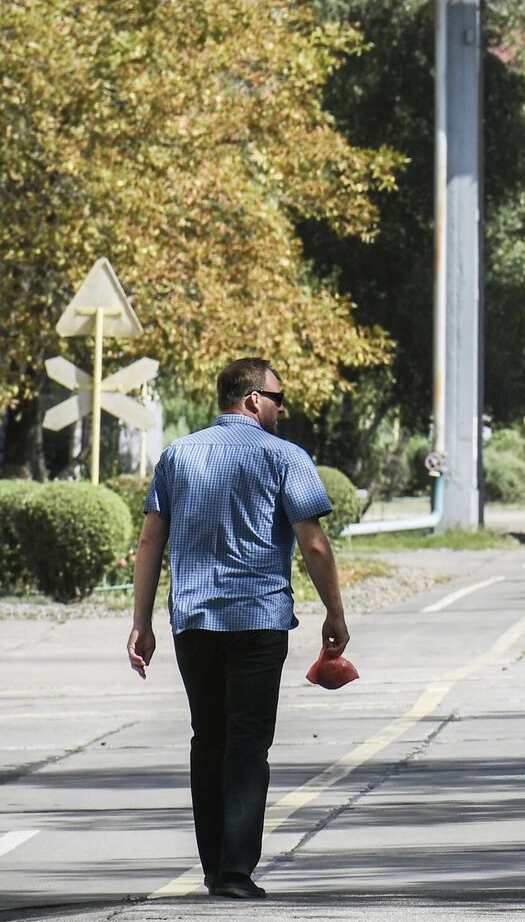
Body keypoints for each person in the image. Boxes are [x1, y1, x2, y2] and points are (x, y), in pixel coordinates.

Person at [125, 358, 348, 899]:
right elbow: (313, 543)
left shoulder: (179, 455)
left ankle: (212, 867)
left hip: (194, 620)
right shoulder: (284, 457)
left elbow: (151, 540)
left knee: (209, 738)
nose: (280, 407)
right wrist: (335, 614)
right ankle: (235, 871)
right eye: (277, 397)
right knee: (247, 741)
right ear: (252, 399)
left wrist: (141, 622)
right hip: (259, 620)